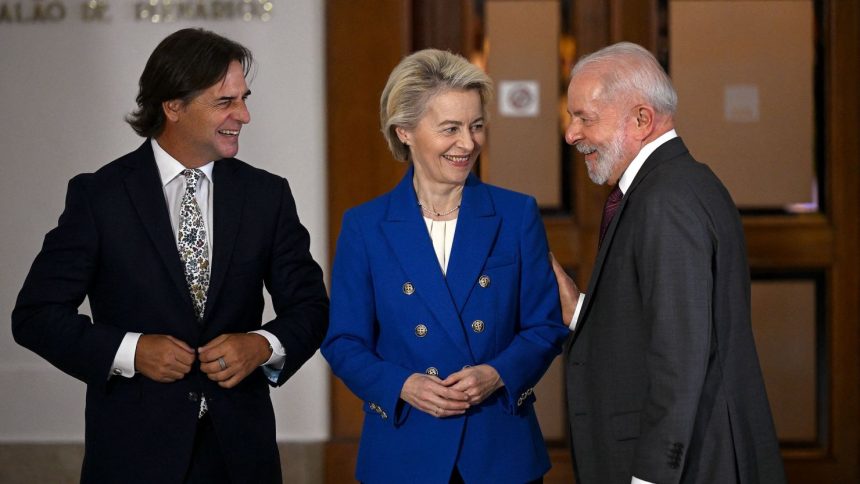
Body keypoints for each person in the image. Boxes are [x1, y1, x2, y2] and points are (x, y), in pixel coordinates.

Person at [11, 28, 329, 484]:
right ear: (173, 106)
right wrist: (132, 350)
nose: (244, 115)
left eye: (244, 98)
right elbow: (36, 316)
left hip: (241, 458)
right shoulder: (99, 197)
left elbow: (310, 308)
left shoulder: (267, 196)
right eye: (225, 102)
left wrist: (260, 345)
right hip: (131, 458)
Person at [321, 49, 569, 483]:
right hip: (404, 449)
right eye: (450, 129)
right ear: (405, 132)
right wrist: (402, 385)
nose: (468, 143)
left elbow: (545, 326)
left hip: (499, 450)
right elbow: (343, 341)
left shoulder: (516, 215)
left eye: (475, 127)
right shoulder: (365, 226)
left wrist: (497, 373)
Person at [550, 42, 786, 483]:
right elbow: (667, 324)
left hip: (691, 466)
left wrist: (651, 477)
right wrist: (581, 311)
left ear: (641, 120)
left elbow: (679, 359)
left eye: (585, 117)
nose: (571, 133)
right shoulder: (675, 185)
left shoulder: (667, 200)